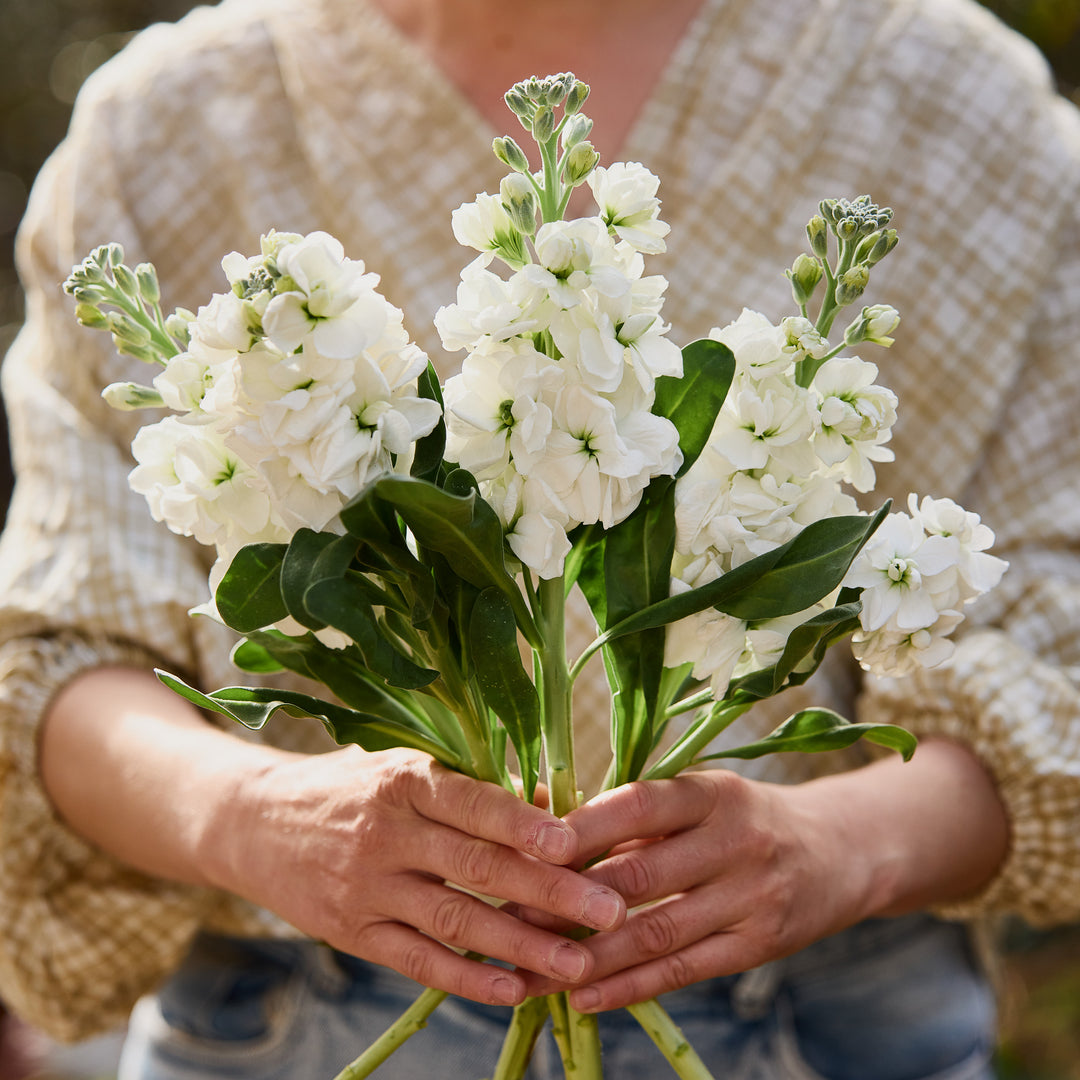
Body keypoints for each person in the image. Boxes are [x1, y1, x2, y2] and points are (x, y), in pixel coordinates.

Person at [0, 0, 1078, 1076]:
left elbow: (1059, 647)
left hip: (827, 1019)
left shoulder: (953, 103)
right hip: (300, 1020)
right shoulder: (164, 126)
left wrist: (847, 846)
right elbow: (58, 661)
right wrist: (256, 816)